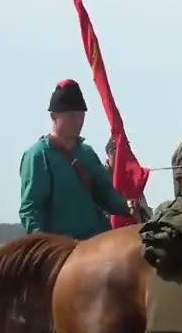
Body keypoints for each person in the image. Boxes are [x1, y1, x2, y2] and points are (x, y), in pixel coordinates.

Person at [18, 79, 135, 239]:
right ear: (54, 116)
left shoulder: (87, 153)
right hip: (63, 248)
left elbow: (105, 194)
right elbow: (31, 209)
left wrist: (127, 206)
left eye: (81, 116)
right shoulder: (39, 156)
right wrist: (43, 245)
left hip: (97, 239)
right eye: (72, 116)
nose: (79, 122)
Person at [104, 137, 152, 221]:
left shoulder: (131, 178)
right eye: (122, 150)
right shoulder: (101, 177)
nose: (126, 154)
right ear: (111, 152)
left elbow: (144, 207)